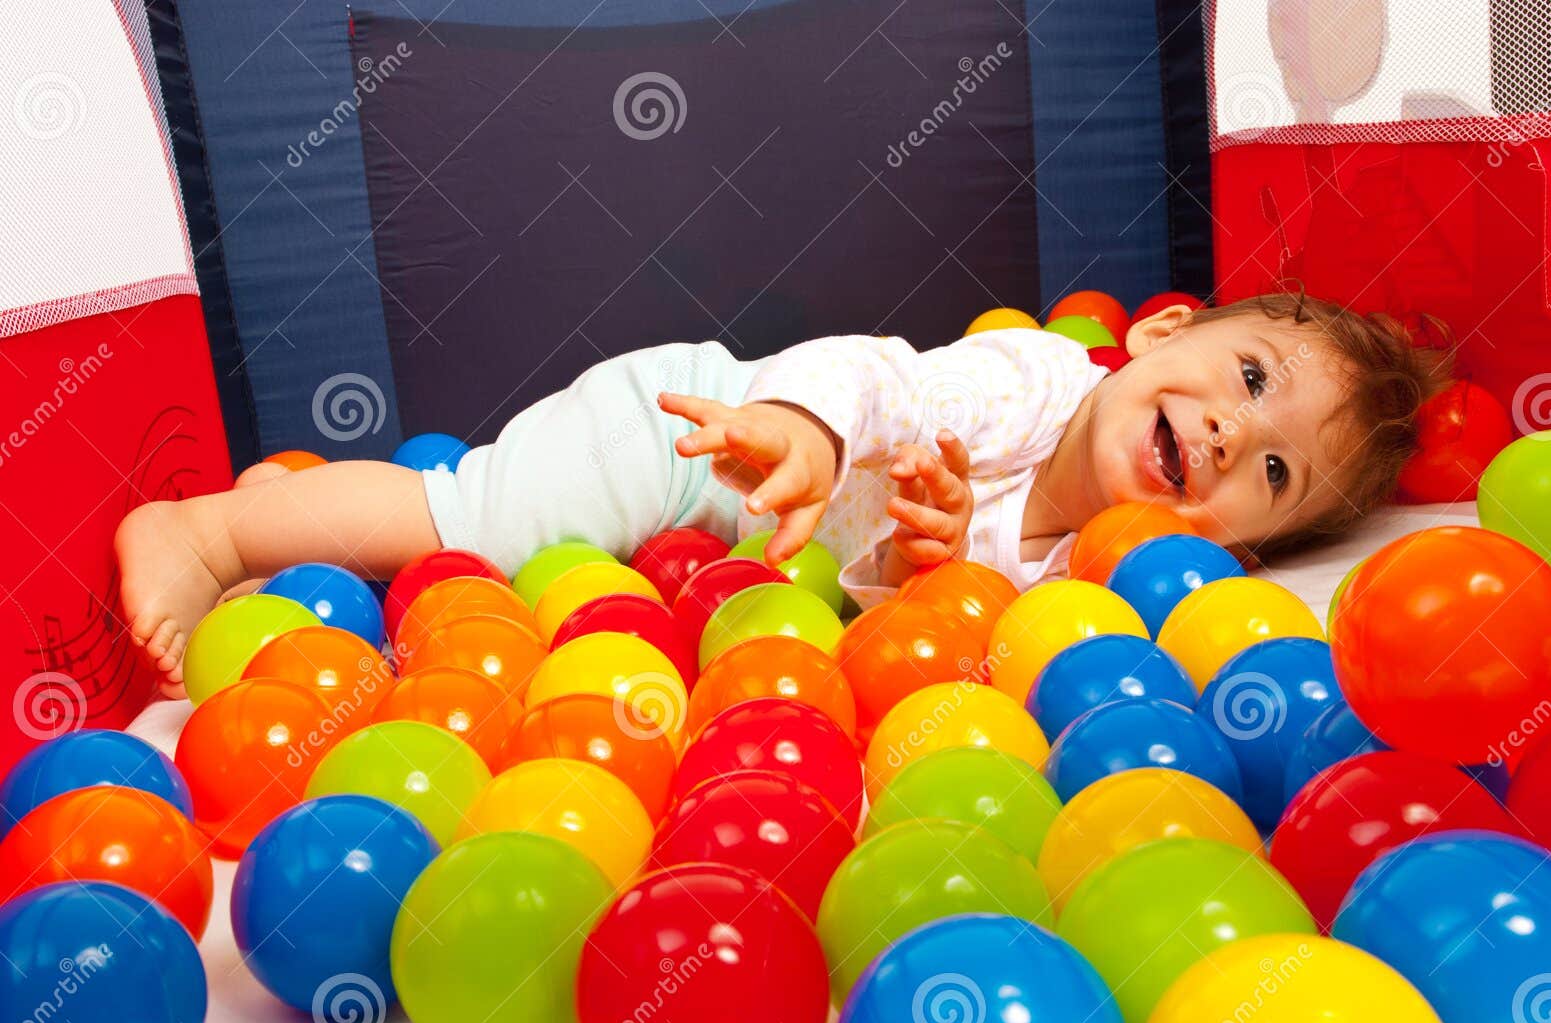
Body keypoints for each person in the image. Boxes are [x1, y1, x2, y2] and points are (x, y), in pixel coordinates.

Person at [116, 290, 1449, 695]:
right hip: (701, 435)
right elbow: (879, 379)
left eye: (1272, 472)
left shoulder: (1092, 578)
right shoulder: (1037, 381)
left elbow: (937, 635)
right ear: (1156, 340)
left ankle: (288, 519)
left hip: (727, 569)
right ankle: (211, 526)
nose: (1228, 436)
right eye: (1250, 376)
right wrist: (804, 434)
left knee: (517, 584)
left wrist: (932, 576)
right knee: (468, 519)